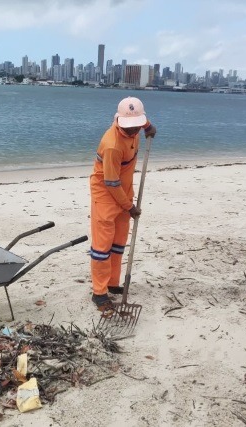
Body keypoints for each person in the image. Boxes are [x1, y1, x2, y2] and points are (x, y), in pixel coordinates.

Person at [89, 96, 157, 310]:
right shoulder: (112, 145)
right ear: (118, 120)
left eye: (136, 127)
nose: (132, 132)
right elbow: (110, 182)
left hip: (125, 192)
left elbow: (142, 122)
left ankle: (112, 283)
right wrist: (130, 207)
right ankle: (99, 293)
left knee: (118, 244)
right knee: (102, 248)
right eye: (129, 128)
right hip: (106, 195)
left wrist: (149, 127)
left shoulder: (136, 125)